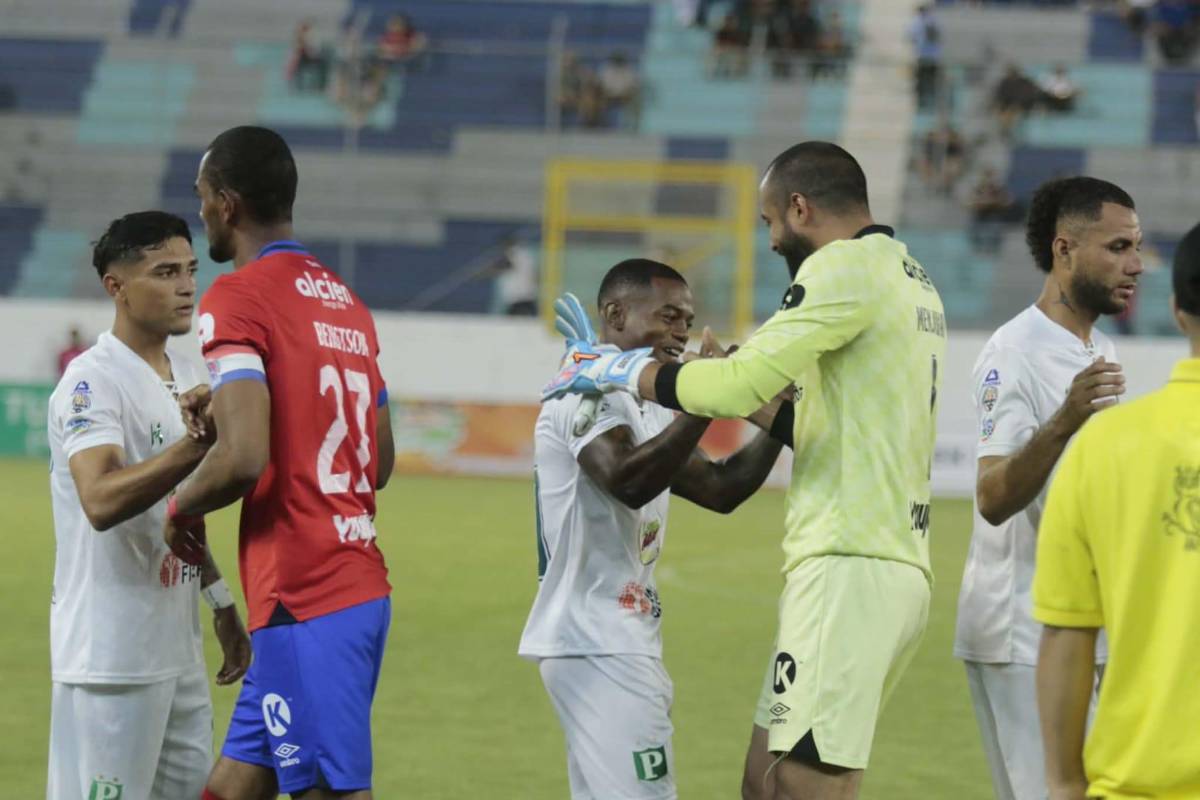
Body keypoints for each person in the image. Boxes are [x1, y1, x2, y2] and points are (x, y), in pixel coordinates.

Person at [543, 141, 946, 800]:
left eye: (769, 222)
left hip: (849, 563)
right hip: (885, 562)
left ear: (799, 206)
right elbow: (809, 420)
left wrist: (615, 368)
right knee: (763, 781)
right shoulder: (909, 276)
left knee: (799, 784)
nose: (770, 240)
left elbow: (732, 386)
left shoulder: (841, 269)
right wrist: (758, 402)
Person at [168, 126, 395, 800]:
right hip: (354, 582)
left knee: (325, 792)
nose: (201, 209)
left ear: (228, 205)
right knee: (236, 786)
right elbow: (378, 460)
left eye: (204, 197)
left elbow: (241, 458)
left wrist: (177, 509)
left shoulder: (238, 298)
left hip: (303, 593)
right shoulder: (346, 303)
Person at [520, 259, 785, 800]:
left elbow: (720, 488)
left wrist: (781, 416)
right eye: (667, 315)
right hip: (598, 640)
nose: (682, 331)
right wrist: (708, 399)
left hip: (616, 638)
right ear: (616, 314)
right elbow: (626, 479)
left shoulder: (643, 406)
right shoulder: (581, 391)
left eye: (687, 319)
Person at [46, 211, 250, 800]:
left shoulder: (187, 371)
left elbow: (178, 509)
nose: (187, 286)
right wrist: (198, 444)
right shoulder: (92, 381)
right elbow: (101, 498)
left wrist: (219, 602)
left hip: (177, 651)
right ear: (117, 286)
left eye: (190, 270)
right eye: (164, 272)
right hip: (111, 657)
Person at [953, 177, 1142, 800]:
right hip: (1021, 630)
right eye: (1117, 247)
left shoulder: (1098, 347)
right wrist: (1065, 417)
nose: (1135, 265)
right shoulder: (1014, 352)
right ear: (1064, 250)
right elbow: (993, 495)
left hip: (1082, 625)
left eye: (1135, 248)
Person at [1033, 220, 1200, 800]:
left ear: (1179, 310)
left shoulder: (1105, 445)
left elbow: (1067, 635)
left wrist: (1061, 783)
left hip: (1137, 783)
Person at [967, 167, 1017, 254]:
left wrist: (993, 202)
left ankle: (993, 249)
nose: (988, 179)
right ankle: (977, 249)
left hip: (994, 216)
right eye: (986, 176)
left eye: (990, 176)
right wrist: (981, 203)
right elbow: (969, 202)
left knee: (995, 227)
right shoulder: (978, 189)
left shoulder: (998, 189)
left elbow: (1009, 201)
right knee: (974, 227)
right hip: (980, 217)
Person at [910, 4, 942, 111]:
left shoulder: (918, 22)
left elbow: (911, 36)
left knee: (923, 80)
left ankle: (923, 103)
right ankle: (927, 102)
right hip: (933, 56)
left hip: (924, 55)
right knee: (930, 80)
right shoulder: (934, 20)